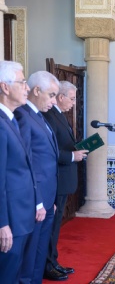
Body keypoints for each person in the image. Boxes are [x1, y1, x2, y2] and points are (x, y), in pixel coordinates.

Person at [14, 71, 61, 283]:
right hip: (36, 201)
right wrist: (38, 201)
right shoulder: (23, 116)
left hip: (46, 199)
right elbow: (27, 162)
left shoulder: (40, 115)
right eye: (51, 95)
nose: (54, 101)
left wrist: (49, 200)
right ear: (36, 90)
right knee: (30, 256)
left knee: (40, 254)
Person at [43, 80, 88, 281]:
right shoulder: (49, 116)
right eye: (71, 98)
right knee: (51, 227)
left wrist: (77, 149)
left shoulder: (59, 115)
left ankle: (54, 261)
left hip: (64, 178)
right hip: (57, 179)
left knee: (56, 225)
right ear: (60, 97)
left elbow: (64, 142)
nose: (73, 102)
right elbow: (50, 151)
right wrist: (72, 156)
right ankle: (48, 265)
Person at [0, 61, 37, 283]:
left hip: (22, 217)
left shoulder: (12, 119)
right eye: (22, 82)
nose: (27, 88)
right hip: (10, 220)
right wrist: (2, 223)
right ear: (5, 87)